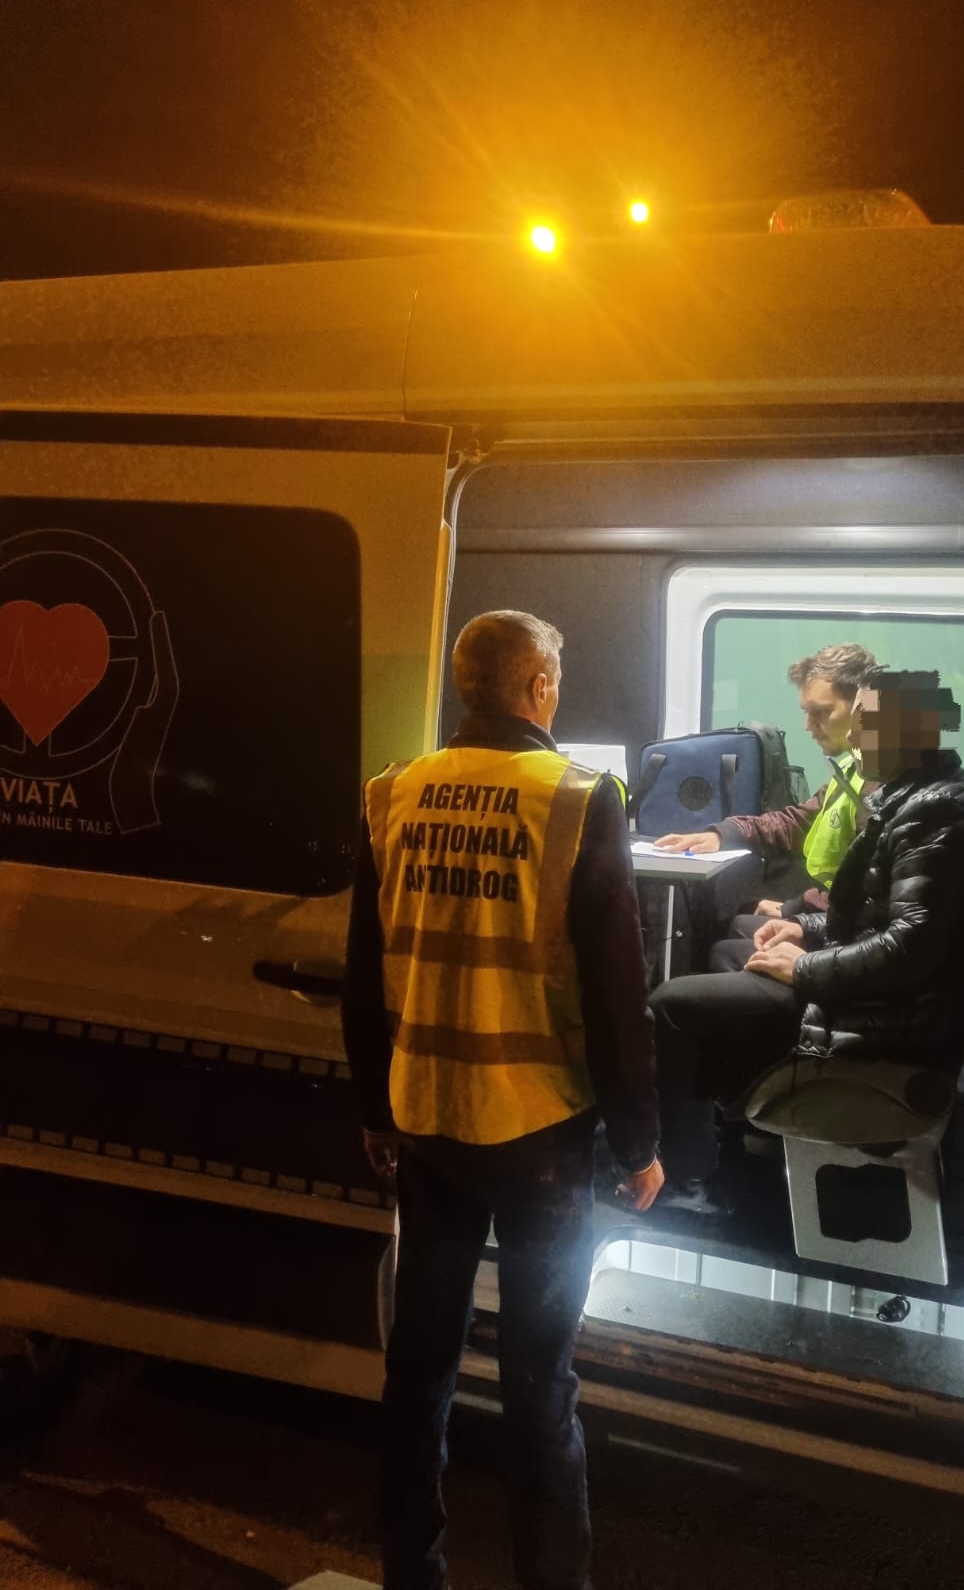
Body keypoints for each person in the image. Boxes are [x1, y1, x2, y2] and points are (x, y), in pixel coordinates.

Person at [342, 609, 663, 1590]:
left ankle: (413, 1572)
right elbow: (616, 990)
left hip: (428, 1122)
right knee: (538, 1383)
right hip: (542, 1138)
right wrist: (639, 1139)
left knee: (418, 1370)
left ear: (465, 686)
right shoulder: (578, 796)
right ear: (540, 689)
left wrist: (376, 1108)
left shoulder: (393, 791)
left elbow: (364, 970)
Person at [649, 668, 964, 1199]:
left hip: (883, 1020)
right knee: (735, 952)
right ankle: (737, 1125)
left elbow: (907, 947)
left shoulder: (934, 817)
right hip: (887, 1000)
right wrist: (804, 924)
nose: (854, 736)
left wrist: (802, 967)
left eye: (866, 723)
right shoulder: (919, 795)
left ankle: (686, 1179)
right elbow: (879, 916)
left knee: (669, 1005)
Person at [652, 644, 877, 939]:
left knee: (732, 940)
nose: (807, 725)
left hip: (850, 933)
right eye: (806, 712)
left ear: (863, 708)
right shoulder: (854, 770)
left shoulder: (881, 784)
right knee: (738, 921)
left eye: (821, 712)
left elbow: (871, 895)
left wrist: (798, 911)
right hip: (834, 915)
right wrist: (724, 834)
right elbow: (797, 822)